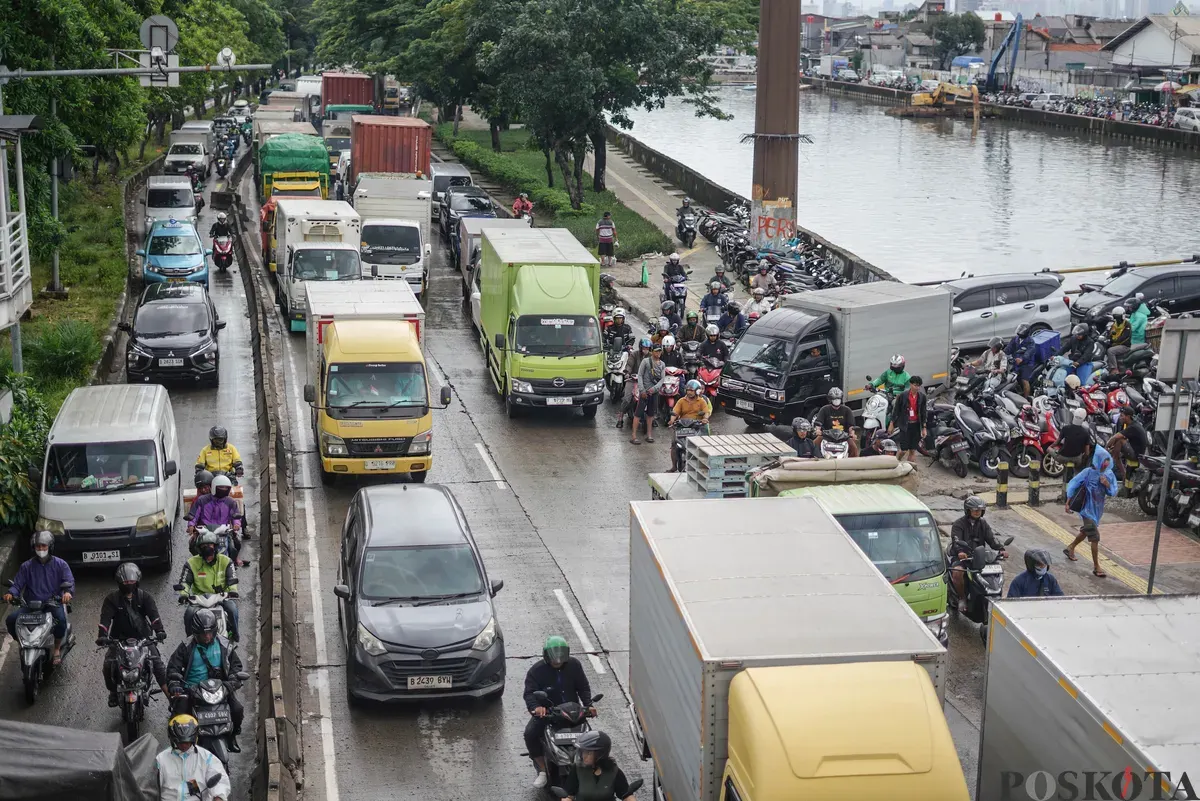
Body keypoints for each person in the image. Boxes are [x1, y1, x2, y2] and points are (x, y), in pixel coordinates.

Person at [167, 609, 245, 753]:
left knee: (237, 709)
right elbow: (173, 668)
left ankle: (232, 736)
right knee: (178, 719)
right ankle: (178, 748)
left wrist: (233, 681)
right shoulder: (186, 646)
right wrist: (175, 685)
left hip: (220, 690)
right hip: (192, 691)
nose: (207, 636)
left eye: (210, 633)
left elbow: (236, 665)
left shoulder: (224, 644)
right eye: (203, 634)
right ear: (195, 632)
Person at [524, 636, 594, 789]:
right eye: (554, 654)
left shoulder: (574, 665)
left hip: (573, 713)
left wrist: (588, 705)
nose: (557, 658)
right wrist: (536, 707)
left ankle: (594, 767)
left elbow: (583, 687)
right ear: (546, 655)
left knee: (592, 738)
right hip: (549, 713)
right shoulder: (536, 671)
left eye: (561, 654)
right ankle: (542, 769)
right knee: (530, 734)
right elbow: (529, 693)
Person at [98, 563, 169, 705]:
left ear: (137, 581)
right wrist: (102, 636)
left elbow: (154, 616)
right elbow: (105, 620)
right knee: (108, 666)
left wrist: (160, 631)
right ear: (119, 582)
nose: (129, 584)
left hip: (143, 639)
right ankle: (113, 691)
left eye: (131, 582)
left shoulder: (145, 598)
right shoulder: (111, 599)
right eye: (125, 582)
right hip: (118, 640)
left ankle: (172, 701)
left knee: (158, 666)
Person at [3, 531, 74, 665]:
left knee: (60, 621)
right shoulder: (26, 566)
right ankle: (23, 642)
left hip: (53, 603)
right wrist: (11, 593)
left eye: (43, 546)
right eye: (38, 546)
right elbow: (17, 584)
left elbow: (68, 581)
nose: (40, 549)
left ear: (50, 547)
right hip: (30, 604)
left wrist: (67, 593)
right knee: (11, 620)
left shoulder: (61, 564)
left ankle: (57, 648)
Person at [1063, 445, 1118, 579]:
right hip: (1086, 509)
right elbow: (1074, 484)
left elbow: (1113, 492)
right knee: (1095, 537)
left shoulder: (1109, 474)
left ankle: (1070, 547)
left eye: (1107, 460)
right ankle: (1096, 566)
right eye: (1103, 460)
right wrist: (1068, 501)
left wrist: (1107, 484)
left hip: (1097, 510)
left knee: (1086, 530)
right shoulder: (1088, 472)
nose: (1105, 463)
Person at [179, 531, 240, 642]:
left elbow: (232, 579)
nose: (207, 548)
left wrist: (233, 591)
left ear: (215, 546)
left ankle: (235, 634)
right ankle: (189, 640)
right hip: (200, 599)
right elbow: (185, 582)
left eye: (209, 545)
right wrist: (184, 594)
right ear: (199, 548)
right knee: (188, 614)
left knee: (233, 610)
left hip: (221, 597)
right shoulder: (191, 563)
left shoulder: (226, 561)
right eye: (203, 546)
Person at [949, 496, 1007, 612]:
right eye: (975, 510)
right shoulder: (958, 524)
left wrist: (1001, 549)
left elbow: (991, 539)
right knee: (957, 573)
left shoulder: (983, 524)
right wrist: (960, 551)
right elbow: (956, 541)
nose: (977, 512)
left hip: (980, 556)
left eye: (980, 510)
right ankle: (962, 597)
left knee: (996, 572)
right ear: (968, 510)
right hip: (963, 557)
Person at [155, 714, 231, 801]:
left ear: (194, 739)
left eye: (187, 742)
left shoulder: (207, 758)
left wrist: (218, 797)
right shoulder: (160, 760)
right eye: (180, 742)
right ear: (173, 739)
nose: (184, 745)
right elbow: (151, 786)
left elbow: (220, 781)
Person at [563, 731, 638, 801]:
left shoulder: (614, 771)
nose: (584, 756)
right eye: (583, 752)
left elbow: (626, 795)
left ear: (600, 754)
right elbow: (569, 795)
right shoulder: (577, 769)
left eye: (589, 753)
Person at [189, 475, 244, 566]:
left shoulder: (230, 502)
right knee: (192, 545)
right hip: (205, 531)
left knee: (235, 545)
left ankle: (232, 564)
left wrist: (237, 525)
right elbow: (194, 515)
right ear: (214, 487)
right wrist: (191, 525)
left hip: (223, 531)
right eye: (220, 488)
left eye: (225, 488)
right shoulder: (201, 500)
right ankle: (196, 564)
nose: (223, 490)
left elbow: (236, 516)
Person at [668, 380, 711, 472]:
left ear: (697, 391)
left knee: (703, 445)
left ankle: (703, 465)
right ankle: (674, 466)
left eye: (692, 390)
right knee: (674, 445)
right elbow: (675, 412)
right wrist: (672, 420)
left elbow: (706, 412)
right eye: (688, 390)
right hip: (682, 425)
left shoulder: (702, 401)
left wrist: (705, 418)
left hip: (696, 426)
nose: (689, 392)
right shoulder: (681, 401)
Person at [888, 376, 927, 464]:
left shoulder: (922, 397)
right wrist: (892, 424)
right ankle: (896, 462)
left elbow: (924, 413)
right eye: (915, 385)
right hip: (905, 426)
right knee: (903, 450)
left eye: (918, 386)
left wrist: (924, 427)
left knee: (913, 450)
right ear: (910, 384)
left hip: (916, 426)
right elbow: (896, 411)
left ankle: (909, 468)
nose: (917, 388)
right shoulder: (903, 396)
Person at [632, 344, 665, 444]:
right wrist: (642, 390)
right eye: (656, 351)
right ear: (652, 352)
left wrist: (654, 389)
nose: (658, 353)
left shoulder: (662, 364)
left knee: (651, 414)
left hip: (654, 393)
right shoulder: (645, 361)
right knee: (638, 413)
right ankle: (633, 436)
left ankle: (649, 435)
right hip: (644, 392)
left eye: (660, 351)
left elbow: (662, 379)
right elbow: (640, 375)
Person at [1106, 405, 1148, 485]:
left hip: (1136, 455)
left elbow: (1116, 436)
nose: (1120, 418)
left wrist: (1106, 447)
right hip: (1135, 451)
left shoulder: (1133, 427)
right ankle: (1119, 465)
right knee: (1117, 443)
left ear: (1128, 417)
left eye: (1122, 416)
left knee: (1120, 440)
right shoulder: (1134, 424)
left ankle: (1115, 462)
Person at [813, 388, 861, 457]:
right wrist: (818, 430)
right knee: (814, 444)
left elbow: (851, 426)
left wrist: (852, 434)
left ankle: (853, 464)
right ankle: (813, 460)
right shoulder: (824, 409)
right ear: (830, 399)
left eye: (838, 399)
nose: (836, 401)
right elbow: (818, 423)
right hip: (826, 437)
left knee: (854, 448)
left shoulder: (847, 410)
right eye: (834, 399)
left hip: (843, 437)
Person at [616, 338, 651, 430]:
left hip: (645, 381)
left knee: (652, 397)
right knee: (627, 399)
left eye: (647, 348)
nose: (645, 350)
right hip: (632, 379)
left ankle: (652, 417)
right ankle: (620, 417)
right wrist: (627, 373)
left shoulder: (651, 356)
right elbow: (629, 365)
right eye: (644, 348)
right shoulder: (634, 354)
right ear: (640, 347)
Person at [1055, 407, 1093, 474]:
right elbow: (1087, 453)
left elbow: (1057, 442)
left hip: (1062, 457)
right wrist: (1082, 459)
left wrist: (1050, 447)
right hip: (1077, 459)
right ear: (1084, 419)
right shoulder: (1086, 433)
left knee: (1049, 449)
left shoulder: (1065, 428)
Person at [1005, 323, 1038, 397]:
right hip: (1015, 363)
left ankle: (1026, 399)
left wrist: (1022, 359)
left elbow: (1029, 352)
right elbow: (1008, 349)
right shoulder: (1015, 339)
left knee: (1024, 380)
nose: (1019, 332)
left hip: (1026, 364)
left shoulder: (1030, 341)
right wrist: (1002, 353)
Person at [1105, 305, 1132, 370]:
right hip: (1115, 344)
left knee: (1110, 351)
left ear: (1122, 316)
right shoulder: (1114, 324)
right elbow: (1110, 332)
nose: (1117, 319)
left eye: (1118, 317)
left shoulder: (1127, 324)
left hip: (1124, 345)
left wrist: (1114, 341)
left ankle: (1114, 368)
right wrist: (1108, 337)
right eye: (1115, 317)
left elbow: (1125, 337)